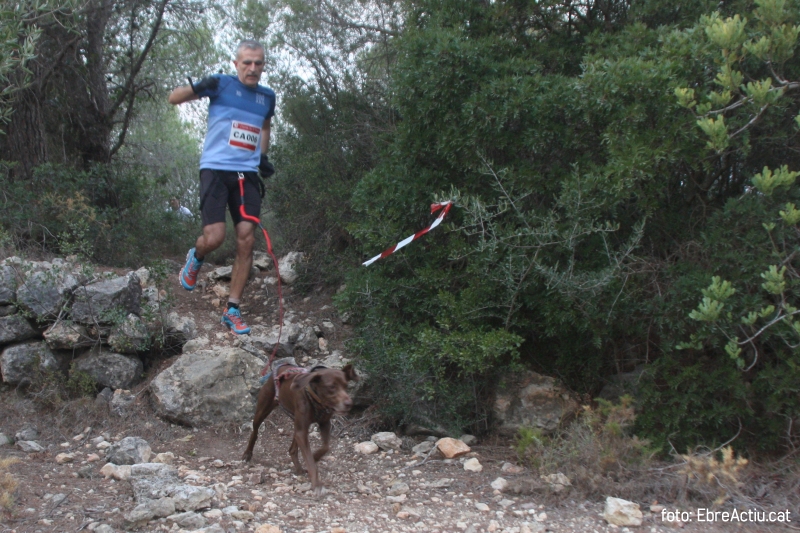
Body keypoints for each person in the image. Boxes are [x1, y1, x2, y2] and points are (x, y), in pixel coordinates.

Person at [168, 39, 276, 335]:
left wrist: (262, 156)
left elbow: (264, 126)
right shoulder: (220, 85)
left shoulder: (267, 97)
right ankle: (197, 256)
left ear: (263, 65)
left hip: (246, 175)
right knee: (214, 237)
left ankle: (233, 309)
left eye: (258, 63)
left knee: (246, 239)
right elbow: (173, 99)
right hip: (215, 170)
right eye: (247, 63)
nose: (253, 68)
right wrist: (199, 86)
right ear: (236, 64)